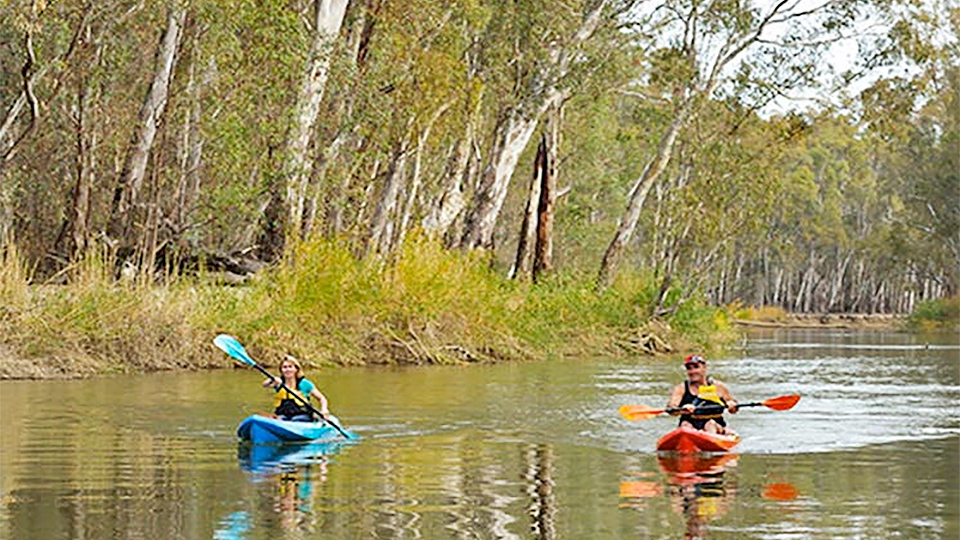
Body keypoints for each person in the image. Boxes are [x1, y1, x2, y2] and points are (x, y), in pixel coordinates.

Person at [667, 354, 738, 434]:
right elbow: (671, 408)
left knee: (709, 425)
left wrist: (732, 405)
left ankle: (713, 439)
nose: (692, 371)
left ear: (704, 368)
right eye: (689, 368)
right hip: (691, 424)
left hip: (714, 424)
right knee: (685, 425)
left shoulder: (719, 387)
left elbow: (733, 410)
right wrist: (683, 409)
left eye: (696, 367)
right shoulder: (681, 388)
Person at [262, 355, 330, 421]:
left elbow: (322, 398)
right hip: (283, 416)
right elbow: (264, 384)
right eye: (284, 367)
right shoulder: (278, 383)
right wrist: (272, 379)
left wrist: (324, 409)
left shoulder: (304, 384)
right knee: (278, 418)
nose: (287, 370)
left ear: (296, 369)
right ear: (281, 370)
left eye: (290, 367)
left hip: (302, 416)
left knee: (294, 419)